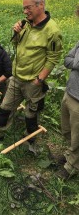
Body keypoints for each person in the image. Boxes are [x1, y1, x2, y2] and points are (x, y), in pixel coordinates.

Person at [0, 0, 63, 144]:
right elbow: (17, 45)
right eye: (24, 8)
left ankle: (29, 138)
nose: (25, 11)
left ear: (40, 5)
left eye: (28, 7)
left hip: (33, 82)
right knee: (4, 109)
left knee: (31, 115)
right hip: (16, 78)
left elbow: (53, 58)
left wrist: (39, 80)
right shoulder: (26, 24)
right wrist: (16, 33)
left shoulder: (52, 31)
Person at [56, 40, 79, 180]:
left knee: (78, 137)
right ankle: (69, 155)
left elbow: (73, 62)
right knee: (67, 130)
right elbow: (67, 60)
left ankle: (72, 167)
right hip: (70, 92)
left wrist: (75, 62)